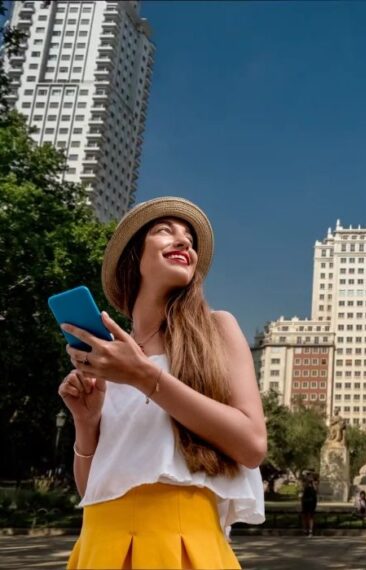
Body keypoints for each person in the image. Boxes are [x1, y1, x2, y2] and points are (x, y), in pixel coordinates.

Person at [58, 197, 266, 569]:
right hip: (97, 545)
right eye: (164, 231)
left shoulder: (218, 329)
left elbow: (252, 444)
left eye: (189, 237)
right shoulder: (109, 355)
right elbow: (94, 489)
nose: (184, 241)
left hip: (183, 547)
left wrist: (144, 376)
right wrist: (86, 424)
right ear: (134, 256)